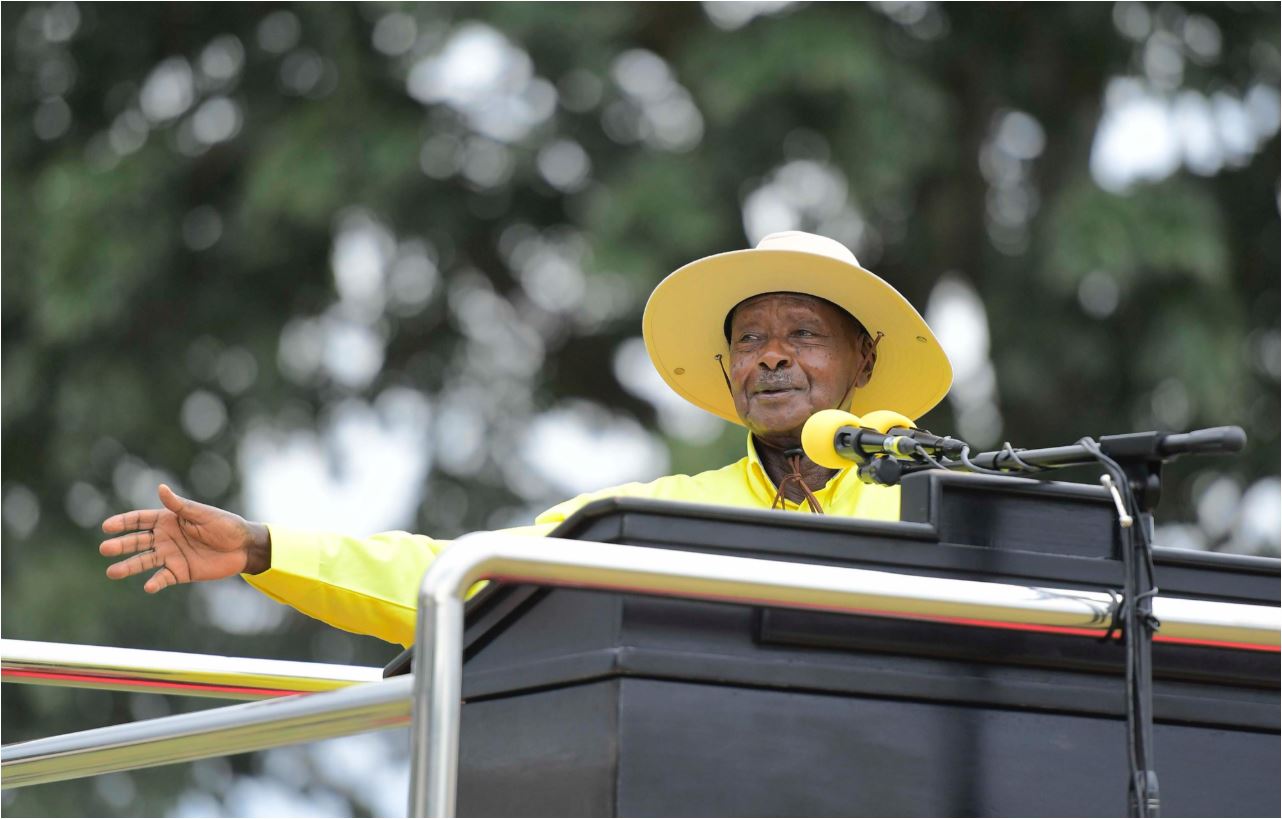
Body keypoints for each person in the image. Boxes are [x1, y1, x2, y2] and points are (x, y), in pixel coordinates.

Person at [99, 231, 952, 647]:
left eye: (803, 333)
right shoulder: (648, 516)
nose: (770, 354)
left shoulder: (943, 496)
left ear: (861, 357)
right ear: (728, 368)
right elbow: (460, 578)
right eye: (750, 336)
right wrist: (262, 547)